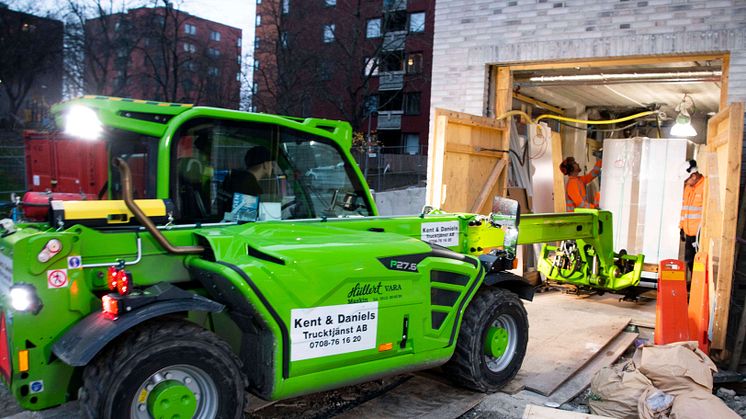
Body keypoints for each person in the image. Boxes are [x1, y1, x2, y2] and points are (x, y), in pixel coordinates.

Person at [217, 145, 274, 214]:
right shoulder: (249, 186)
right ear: (265, 164)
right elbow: (246, 218)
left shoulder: (235, 179)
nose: (272, 167)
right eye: (271, 163)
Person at [680, 159, 704, 273]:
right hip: (689, 232)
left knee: (699, 263)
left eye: (687, 180)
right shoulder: (688, 189)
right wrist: (681, 227)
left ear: (693, 176)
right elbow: (684, 209)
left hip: (700, 234)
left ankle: (697, 286)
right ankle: (695, 285)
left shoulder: (705, 185)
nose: (686, 183)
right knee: (689, 260)